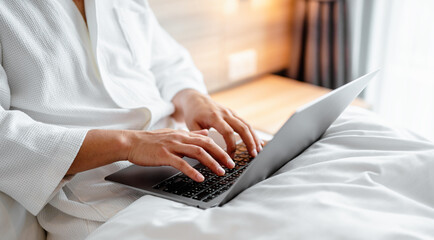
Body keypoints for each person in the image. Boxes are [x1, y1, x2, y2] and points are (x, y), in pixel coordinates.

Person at [0, 0, 263, 239]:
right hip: (101, 196)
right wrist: (130, 143)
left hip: (183, 155)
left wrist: (192, 97)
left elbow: (167, 62)